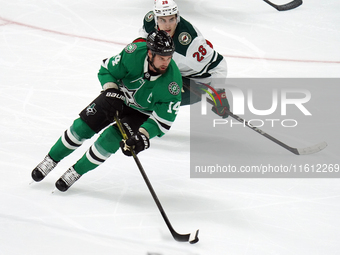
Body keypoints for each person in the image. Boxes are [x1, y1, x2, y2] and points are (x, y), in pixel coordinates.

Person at [31, 30, 182, 192]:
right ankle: (51, 159)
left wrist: (143, 136)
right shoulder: (133, 53)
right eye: (161, 58)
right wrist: (112, 89)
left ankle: (76, 171)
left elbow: (162, 121)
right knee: (82, 127)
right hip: (117, 97)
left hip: (140, 114)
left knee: (109, 141)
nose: (165, 63)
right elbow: (106, 70)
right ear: (150, 53)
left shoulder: (173, 84)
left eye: (169, 58)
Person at [134, 0, 230, 118]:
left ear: (177, 18)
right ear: (156, 19)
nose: (167, 25)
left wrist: (218, 92)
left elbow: (219, 64)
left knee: (156, 98)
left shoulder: (190, 43)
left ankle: (139, 122)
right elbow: (144, 36)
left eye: (171, 19)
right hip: (173, 70)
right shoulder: (150, 21)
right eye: (162, 20)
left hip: (197, 83)